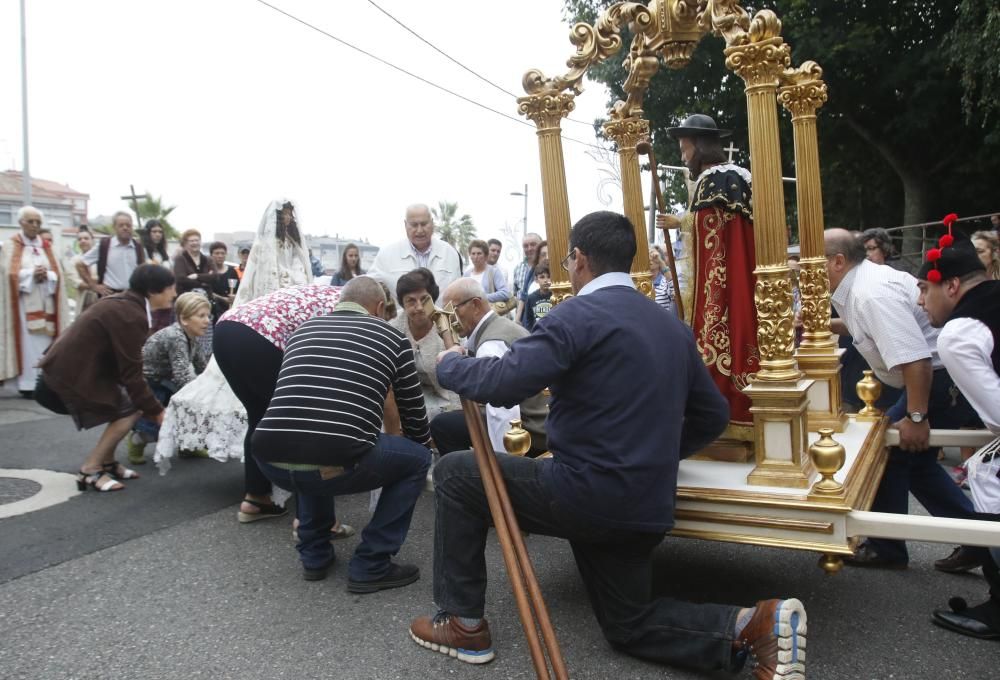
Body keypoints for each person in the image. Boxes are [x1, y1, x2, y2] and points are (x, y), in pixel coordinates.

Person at [410, 212, 807, 676]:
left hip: (584, 493)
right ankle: (752, 625)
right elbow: (713, 416)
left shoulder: (576, 315)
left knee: (458, 472)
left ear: (579, 259)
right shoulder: (670, 327)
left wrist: (452, 365)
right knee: (628, 624)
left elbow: (503, 381)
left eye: (567, 259)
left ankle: (462, 624)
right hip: (647, 504)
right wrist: (656, 454)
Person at [251, 276, 431, 586]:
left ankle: (314, 554)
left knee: (312, 440)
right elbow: (414, 420)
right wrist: (415, 442)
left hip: (268, 459)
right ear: (379, 307)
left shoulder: (301, 332)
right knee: (416, 459)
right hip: (332, 462)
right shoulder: (392, 338)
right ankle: (372, 563)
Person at [824, 228, 980, 571]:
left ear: (837, 262)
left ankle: (888, 547)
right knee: (915, 461)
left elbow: (916, 360)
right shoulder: (859, 284)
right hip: (933, 375)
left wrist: (916, 417)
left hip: (935, 377)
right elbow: (867, 327)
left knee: (886, 450)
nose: (803, 270)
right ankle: (976, 538)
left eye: (811, 262)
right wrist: (826, 324)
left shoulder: (869, 294)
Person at [155, 200, 313, 505]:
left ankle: (259, 493)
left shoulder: (298, 250)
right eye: (284, 214)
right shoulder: (264, 249)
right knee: (279, 411)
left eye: (292, 213)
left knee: (262, 413)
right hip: (264, 329)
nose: (289, 218)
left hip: (283, 329)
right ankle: (293, 491)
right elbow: (253, 287)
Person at [911, 233, 1000, 639]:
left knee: (987, 476)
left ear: (951, 286)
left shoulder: (959, 332)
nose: (919, 301)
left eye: (924, 289)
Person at [214, 283, 354, 535]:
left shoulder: (328, 292)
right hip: (261, 337)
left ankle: (256, 499)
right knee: (302, 423)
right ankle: (312, 520)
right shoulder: (348, 312)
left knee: (259, 414)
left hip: (227, 328)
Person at [660, 114, 759, 442]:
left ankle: (722, 419)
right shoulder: (733, 175)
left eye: (684, 147)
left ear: (698, 145)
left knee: (718, 333)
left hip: (723, 281)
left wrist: (679, 222)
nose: (682, 155)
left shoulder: (715, 178)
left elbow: (712, 229)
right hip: (740, 274)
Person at [36, 264, 176, 492]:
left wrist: (151, 407)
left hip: (62, 373)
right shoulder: (131, 315)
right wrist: (158, 412)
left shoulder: (126, 304)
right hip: (62, 381)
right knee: (130, 410)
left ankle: (108, 462)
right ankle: (90, 470)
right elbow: (132, 375)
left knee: (126, 404)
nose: (174, 293)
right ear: (152, 291)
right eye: (170, 287)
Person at [429, 277, 549, 458]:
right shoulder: (502, 327)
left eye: (452, 310)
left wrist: (503, 465)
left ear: (476, 305)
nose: (450, 318)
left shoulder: (491, 342)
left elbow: (502, 411)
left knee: (443, 426)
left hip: (527, 434)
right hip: (539, 423)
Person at [127, 292, 212, 465]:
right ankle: (137, 439)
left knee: (188, 407)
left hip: (165, 379)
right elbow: (182, 376)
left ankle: (188, 445)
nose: (207, 321)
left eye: (208, 316)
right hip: (151, 382)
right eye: (201, 316)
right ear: (184, 319)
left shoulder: (191, 337)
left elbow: (202, 366)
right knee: (159, 422)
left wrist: (212, 382)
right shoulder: (176, 337)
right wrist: (205, 391)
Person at [2, 206, 71, 397]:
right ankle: (27, 383)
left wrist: (47, 275)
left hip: (47, 302)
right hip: (23, 306)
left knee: (45, 343)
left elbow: (58, 274)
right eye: (30, 221)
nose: (34, 225)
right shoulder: (10, 246)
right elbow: (8, 274)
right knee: (27, 344)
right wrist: (31, 274)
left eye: (38, 222)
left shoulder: (46, 247)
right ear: (21, 222)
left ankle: (45, 382)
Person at [391, 269, 460, 420]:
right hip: (407, 402)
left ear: (433, 298)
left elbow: (458, 376)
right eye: (411, 301)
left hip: (445, 399)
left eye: (424, 299)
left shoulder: (447, 324)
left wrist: (458, 415)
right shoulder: (393, 328)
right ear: (402, 303)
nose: (419, 307)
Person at [370, 203, 462, 305]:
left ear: (432, 223)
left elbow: (458, 293)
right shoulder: (386, 255)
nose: (419, 230)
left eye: (424, 224)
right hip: (401, 320)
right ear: (405, 225)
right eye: (414, 225)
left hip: (441, 319)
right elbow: (370, 287)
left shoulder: (449, 253)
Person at [76, 211, 145, 298]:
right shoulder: (105, 245)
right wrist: (93, 286)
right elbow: (80, 264)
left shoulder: (138, 247)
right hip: (110, 296)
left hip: (133, 296)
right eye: (121, 225)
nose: (125, 228)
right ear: (114, 227)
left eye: (128, 225)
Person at [464, 239, 509, 304]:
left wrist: (482, 297)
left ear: (486, 256)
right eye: (473, 254)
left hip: (488, 311)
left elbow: (505, 293)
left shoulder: (494, 272)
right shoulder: (467, 274)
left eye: (479, 253)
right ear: (470, 256)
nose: (476, 257)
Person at [172, 229, 216, 296]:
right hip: (187, 298)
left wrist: (197, 276)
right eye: (191, 241)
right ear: (186, 243)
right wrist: (204, 282)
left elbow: (215, 277)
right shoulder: (180, 259)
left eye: (197, 240)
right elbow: (181, 279)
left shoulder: (208, 259)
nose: (195, 243)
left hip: (206, 299)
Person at [511, 233, 542, 320]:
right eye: (525, 246)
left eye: (533, 244)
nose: (529, 248)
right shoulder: (518, 268)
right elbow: (517, 294)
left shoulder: (549, 266)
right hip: (523, 318)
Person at [207, 241, 239, 320]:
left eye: (222, 253)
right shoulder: (207, 272)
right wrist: (223, 299)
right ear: (211, 255)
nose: (220, 256)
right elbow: (207, 291)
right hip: (211, 311)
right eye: (217, 253)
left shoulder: (232, 271)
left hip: (229, 312)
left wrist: (235, 296)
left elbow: (238, 290)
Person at [523, 262, 553, 331]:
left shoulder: (556, 296)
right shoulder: (531, 298)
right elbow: (528, 321)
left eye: (549, 277)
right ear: (536, 279)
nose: (546, 280)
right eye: (542, 277)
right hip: (537, 333)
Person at [649, 246, 675, 313]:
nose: (650, 259)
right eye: (648, 255)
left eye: (654, 256)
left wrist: (661, 262)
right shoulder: (642, 282)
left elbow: (675, 294)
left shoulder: (665, 281)